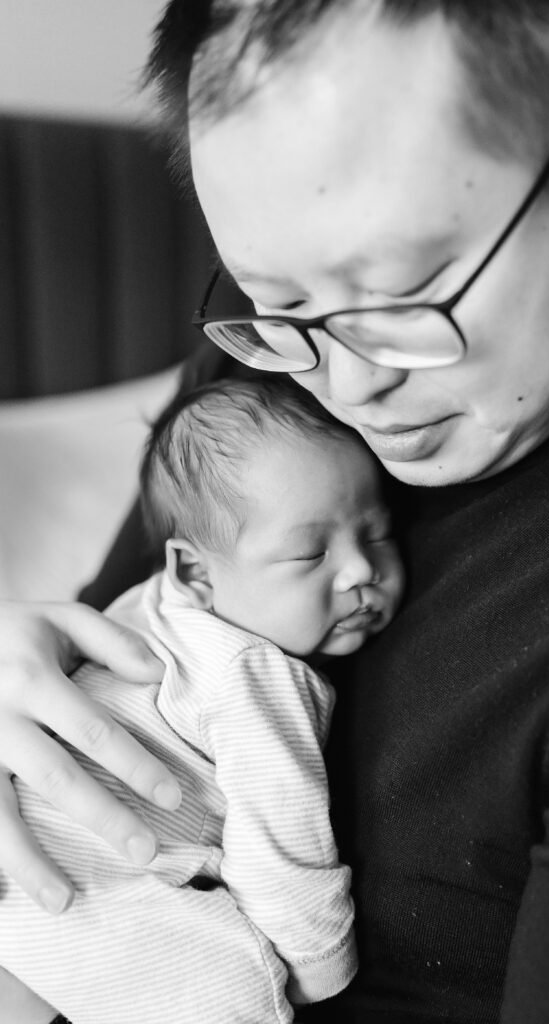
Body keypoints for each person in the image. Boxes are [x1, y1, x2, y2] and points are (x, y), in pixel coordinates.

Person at [1, 1, 549, 1021]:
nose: (346, 384)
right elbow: (117, 663)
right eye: (278, 306)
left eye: (402, 296)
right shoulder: (262, 377)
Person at [0, 377, 404, 1024]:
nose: (360, 570)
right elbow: (281, 841)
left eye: (377, 533)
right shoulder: (252, 670)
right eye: (311, 553)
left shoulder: (148, 606)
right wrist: (320, 972)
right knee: (235, 996)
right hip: (76, 877)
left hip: (25, 883)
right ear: (195, 570)